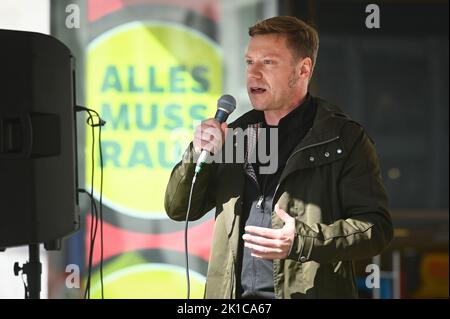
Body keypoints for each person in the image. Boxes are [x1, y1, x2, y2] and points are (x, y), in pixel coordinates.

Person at [164, 16, 393, 299]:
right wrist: (198, 153)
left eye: (268, 62)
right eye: (250, 62)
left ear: (303, 69)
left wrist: (302, 242)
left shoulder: (342, 139)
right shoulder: (235, 135)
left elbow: (376, 228)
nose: (253, 74)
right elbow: (178, 208)